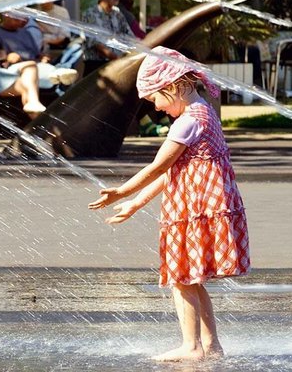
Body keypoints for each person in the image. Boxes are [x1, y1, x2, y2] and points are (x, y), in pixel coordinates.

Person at [88, 46, 250, 362]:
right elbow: (176, 171)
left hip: (193, 210)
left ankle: (191, 347)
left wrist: (120, 192)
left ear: (172, 87)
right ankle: (211, 345)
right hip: (202, 206)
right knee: (193, 280)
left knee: (181, 280)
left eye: (155, 100)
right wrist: (136, 203)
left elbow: (159, 167)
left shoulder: (187, 122)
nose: (157, 108)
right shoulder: (205, 112)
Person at [0, 13, 78, 90]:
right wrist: (7, 58)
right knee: (33, 70)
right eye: (15, 18)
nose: (19, 20)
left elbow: (36, 54)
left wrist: (43, 57)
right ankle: (57, 75)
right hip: (19, 70)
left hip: (38, 65)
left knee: (75, 48)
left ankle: (58, 74)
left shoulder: (25, 32)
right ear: (5, 15)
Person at [81, 0, 134, 76]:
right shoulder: (90, 14)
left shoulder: (118, 14)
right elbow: (97, 44)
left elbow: (130, 37)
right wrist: (118, 60)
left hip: (117, 65)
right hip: (96, 69)